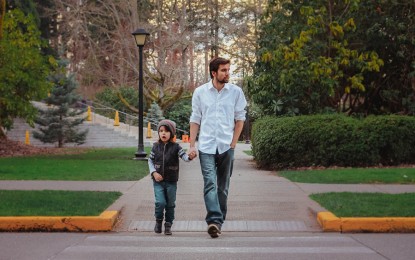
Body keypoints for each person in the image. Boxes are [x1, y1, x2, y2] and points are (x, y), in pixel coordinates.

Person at [188, 57, 247, 238]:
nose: (227, 73)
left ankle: (218, 222)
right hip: (206, 146)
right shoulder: (200, 92)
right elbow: (195, 118)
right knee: (210, 183)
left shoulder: (236, 92)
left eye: (228, 70)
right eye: (223, 70)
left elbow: (240, 118)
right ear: (214, 73)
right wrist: (192, 145)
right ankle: (213, 220)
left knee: (223, 187)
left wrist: (233, 143)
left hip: (226, 146)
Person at [148, 119, 196, 235]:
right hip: (158, 181)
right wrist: (154, 172)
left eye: (166, 131)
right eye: (161, 131)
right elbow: (150, 160)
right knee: (160, 202)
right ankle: (158, 221)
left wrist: (190, 157)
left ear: (172, 133)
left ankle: (168, 224)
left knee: (170, 204)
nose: (163, 133)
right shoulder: (155, 147)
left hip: (171, 181)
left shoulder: (176, 147)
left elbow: (184, 157)